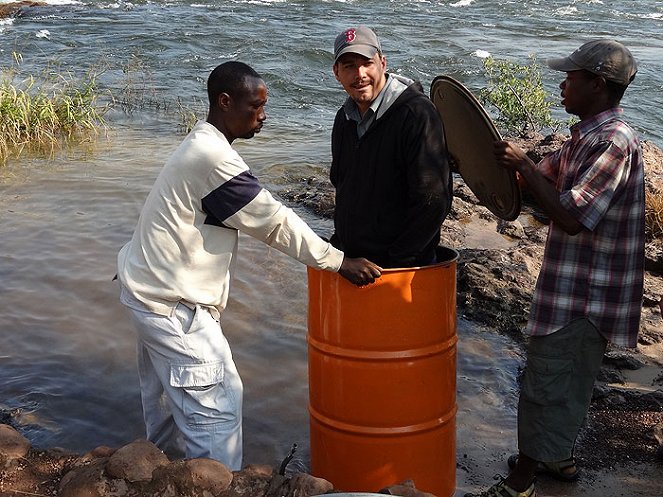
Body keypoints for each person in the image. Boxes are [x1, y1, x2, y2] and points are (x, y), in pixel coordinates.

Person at [116, 61, 382, 470]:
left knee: (169, 407)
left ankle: (160, 476)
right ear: (225, 102)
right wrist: (338, 262)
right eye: (255, 106)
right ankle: (215, 484)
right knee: (216, 407)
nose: (263, 116)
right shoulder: (213, 159)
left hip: (144, 291)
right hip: (171, 305)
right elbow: (275, 223)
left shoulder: (201, 143)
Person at [468, 40, 644, 497]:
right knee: (571, 380)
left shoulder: (613, 142)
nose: (562, 83)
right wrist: (476, 160)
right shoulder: (584, 136)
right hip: (579, 287)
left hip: (585, 292)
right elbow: (533, 184)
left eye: (571, 77)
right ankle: (558, 458)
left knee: (546, 382)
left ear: (597, 85)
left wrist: (523, 161)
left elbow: (570, 216)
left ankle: (521, 481)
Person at [330, 26, 452, 268]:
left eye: (367, 63)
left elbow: (434, 199)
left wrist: (401, 259)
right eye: (349, 66)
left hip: (399, 268)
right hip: (355, 264)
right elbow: (341, 184)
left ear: (383, 64)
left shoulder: (416, 114)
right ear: (336, 73)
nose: (360, 74)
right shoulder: (343, 119)